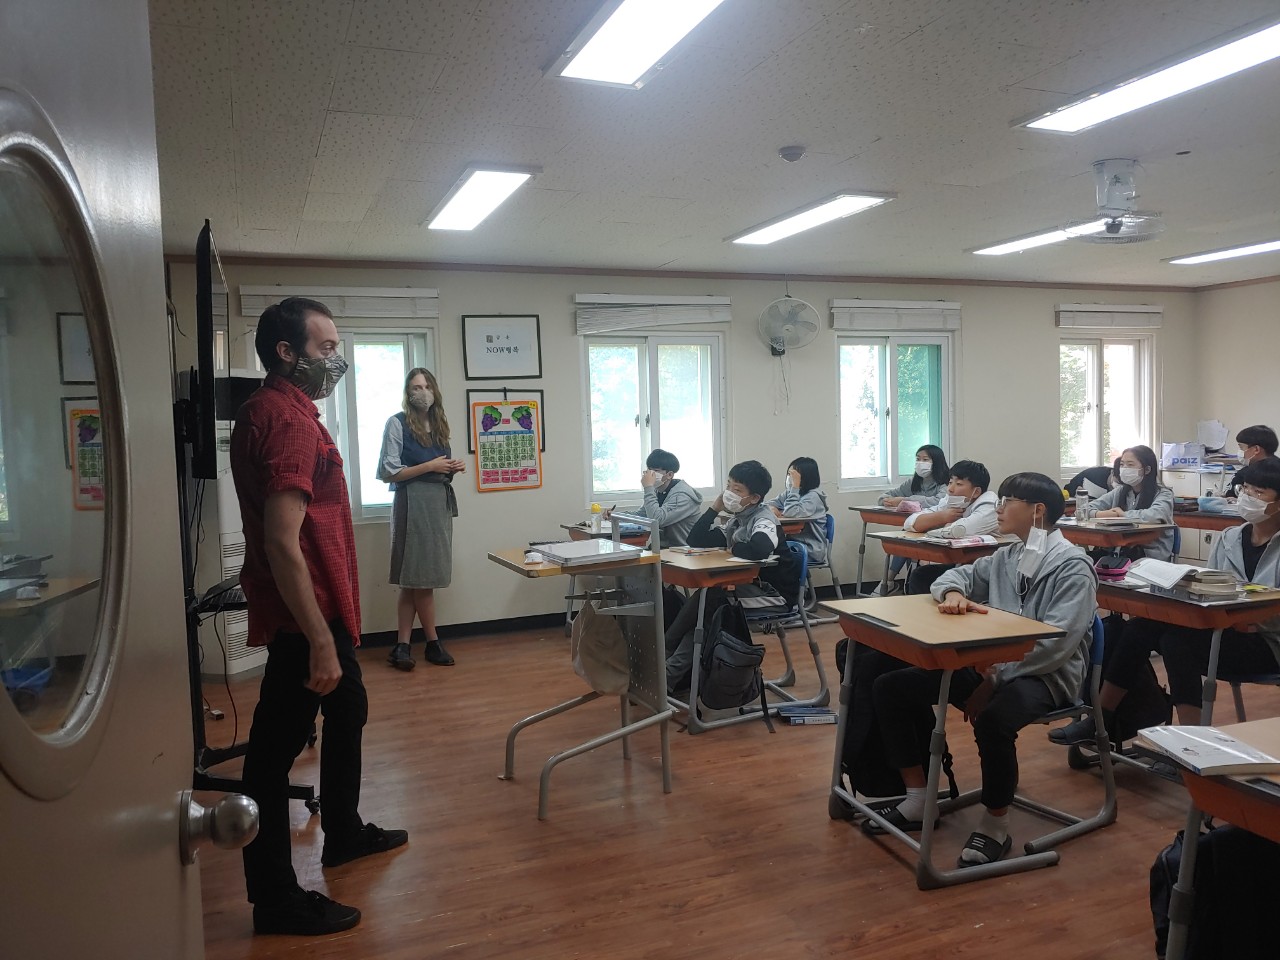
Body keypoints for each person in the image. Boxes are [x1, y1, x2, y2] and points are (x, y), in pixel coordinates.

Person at [230, 297, 407, 936]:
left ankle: (345, 832)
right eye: (325, 348)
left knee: (348, 707)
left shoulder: (275, 409)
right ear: (287, 353)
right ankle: (276, 898)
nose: (337, 359)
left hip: (319, 610)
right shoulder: (287, 420)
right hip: (305, 616)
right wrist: (318, 641)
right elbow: (283, 542)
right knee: (271, 757)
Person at [869, 472, 1097, 867]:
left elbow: (1057, 643)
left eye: (1008, 502)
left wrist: (993, 679)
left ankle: (996, 824)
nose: (999, 509)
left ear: (1038, 511)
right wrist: (954, 593)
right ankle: (919, 799)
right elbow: (954, 576)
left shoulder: (1073, 566)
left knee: (993, 720)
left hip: (1047, 675)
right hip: (992, 666)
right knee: (892, 687)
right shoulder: (1009, 554)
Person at [1052, 457, 1280, 743]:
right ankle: (1102, 720)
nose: (1248, 497)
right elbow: (1211, 584)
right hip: (1223, 631)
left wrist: (1253, 620)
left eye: (1259, 492)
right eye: (1245, 489)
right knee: (1141, 626)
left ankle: (1190, 742)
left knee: (1177, 642)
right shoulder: (1229, 537)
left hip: (1267, 644)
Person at [664, 460, 801, 694]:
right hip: (748, 588)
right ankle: (668, 667)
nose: (729, 492)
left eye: (736, 489)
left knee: (713, 603)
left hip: (774, 595)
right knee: (708, 600)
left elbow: (759, 549)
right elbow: (696, 540)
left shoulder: (763, 519)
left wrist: (734, 547)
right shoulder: (737, 519)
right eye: (728, 486)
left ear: (754, 497)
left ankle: (668, 669)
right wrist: (714, 509)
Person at [377, 368, 465, 671]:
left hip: (437, 503)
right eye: (416, 387)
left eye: (427, 386)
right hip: (411, 502)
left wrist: (451, 468)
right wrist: (430, 466)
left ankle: (402, 645)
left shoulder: (439, 424)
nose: (422, 392)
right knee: (418, 578)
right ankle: (432, 642)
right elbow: (389, 472)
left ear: (434, 390)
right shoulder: (397, 423)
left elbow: (438, 469)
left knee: (415, 580)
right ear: (407, 392)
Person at [900, 460, 998, 595]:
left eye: (959, 484)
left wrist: (939, 523)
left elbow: (958, 531)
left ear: (976, 492)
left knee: (932, 577)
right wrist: (942, 517)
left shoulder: (989, 504)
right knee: (920, 575)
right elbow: (910, 523)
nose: (950, 489)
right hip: (963, 564)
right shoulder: (952, 500)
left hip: (987, 569)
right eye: (950, 482)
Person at [874, 445, 949, 594]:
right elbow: (886, 496)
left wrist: (905, 500)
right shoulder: (914, 482)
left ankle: (888, 582)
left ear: (936, 462)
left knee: (907, 537)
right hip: (916, 527)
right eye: (918, 459)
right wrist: (887, 501)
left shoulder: (946, 482)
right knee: (904, 537)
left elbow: (938, 501)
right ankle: (888, 582)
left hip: (937, 527)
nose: (920, 463)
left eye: (925, 459)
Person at [1084, 444, 1174, 559]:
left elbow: (1156, 515)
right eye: (1122, 464)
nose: (1124, 468)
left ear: (1147, 470)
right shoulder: (1120, 491)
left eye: (1130, 464)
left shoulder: (1163, 493)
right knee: (1083, 560)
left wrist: (1123, 515)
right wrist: (1101, 514)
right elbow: (1083, 510)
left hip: (1148, 555)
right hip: (1117, 551)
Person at [612, 448, 703, 547]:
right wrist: (614, 516)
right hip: (664, 548)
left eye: (655, 471)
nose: (650, 474)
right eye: (649, 470)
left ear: (669, 475)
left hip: (685, 549)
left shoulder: (682, 496)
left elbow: (657, 520)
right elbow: (642, 515)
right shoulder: (657, 490)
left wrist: (648, 487)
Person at [768, 456, 828, 564]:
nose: (789, 478)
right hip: (792, 544)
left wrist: (795, 487)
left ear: (805, 477)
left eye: (793, 476)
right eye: (789, 474)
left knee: (773, 559)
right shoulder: (790, 493)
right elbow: (765, 505)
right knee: (766, 554)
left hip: (810, 549)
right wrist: (771, 508)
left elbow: (791, 512)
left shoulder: (813, 497)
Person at [1228, 424, 1280, 497]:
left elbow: (1229, 497)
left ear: (1256, 449)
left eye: (1241, 448)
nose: (1240, 452)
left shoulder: (1245, 474)